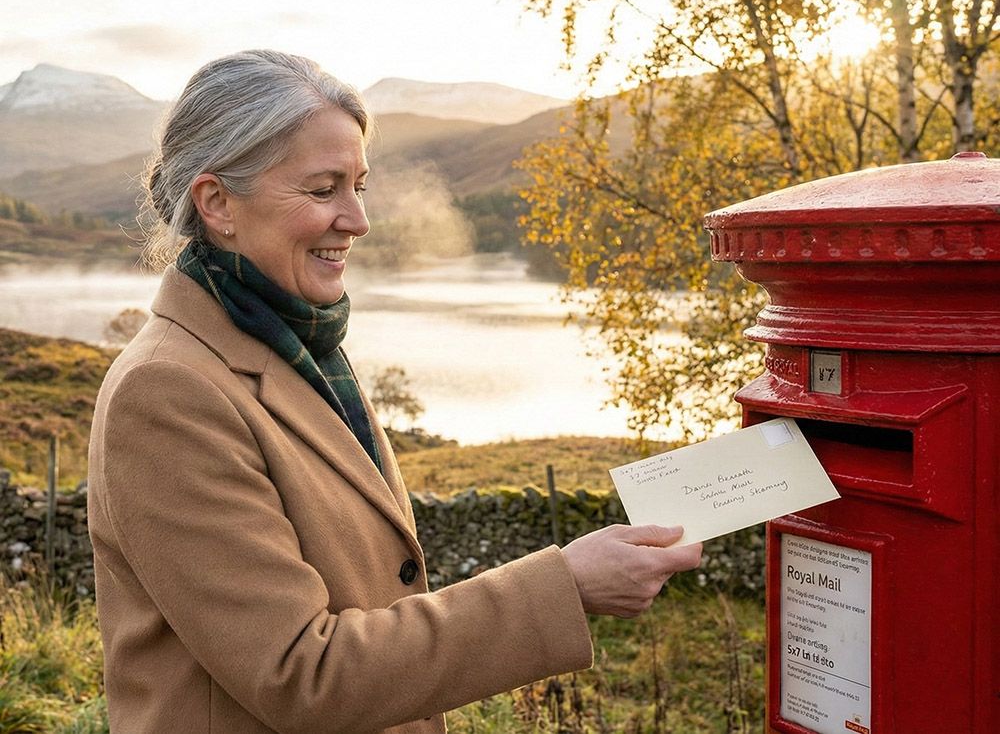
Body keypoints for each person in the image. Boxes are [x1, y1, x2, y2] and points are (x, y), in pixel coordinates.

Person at [87, 49, 703, 734]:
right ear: (218, 203)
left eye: (359, 186)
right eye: (323, 190)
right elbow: (301, 675)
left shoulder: (294, 342)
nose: (357, 219)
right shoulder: (168, 391)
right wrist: (566, 586)